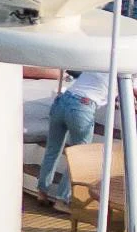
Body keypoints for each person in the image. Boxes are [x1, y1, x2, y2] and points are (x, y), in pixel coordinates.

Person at [38, 71, 111, 204]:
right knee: (79, 156)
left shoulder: (98, 63)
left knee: (52, 150)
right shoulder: (126, 68)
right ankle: (62, 198)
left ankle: (42, 192)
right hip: (82, 106)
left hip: (63, 99)